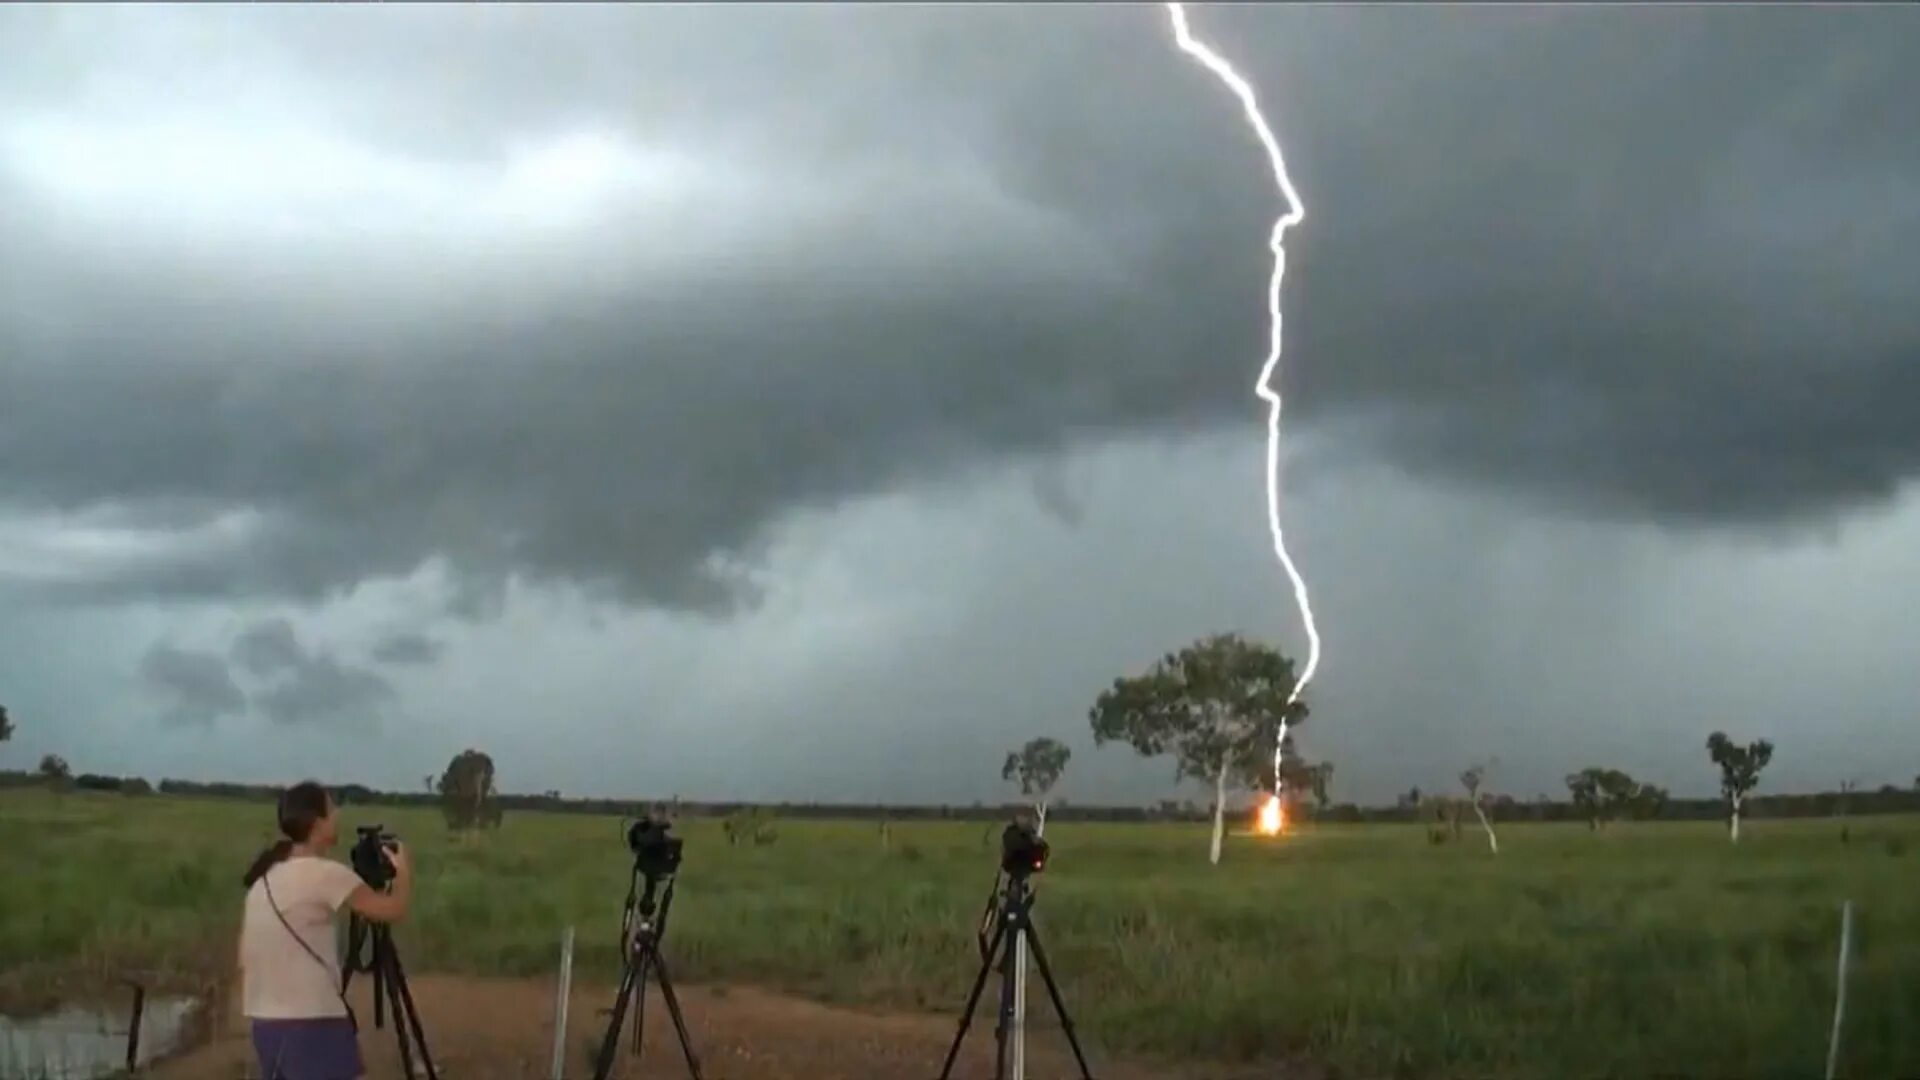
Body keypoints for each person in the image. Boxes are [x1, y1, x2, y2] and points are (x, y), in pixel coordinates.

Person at [239, 780, 413, 1080]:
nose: (338, 816)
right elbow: (393, 910)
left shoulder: (264, 878)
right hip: (311, 1022)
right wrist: (403, 872)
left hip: (265, 1024)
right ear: (317, 823)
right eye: (332, 810)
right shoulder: (326, 874)